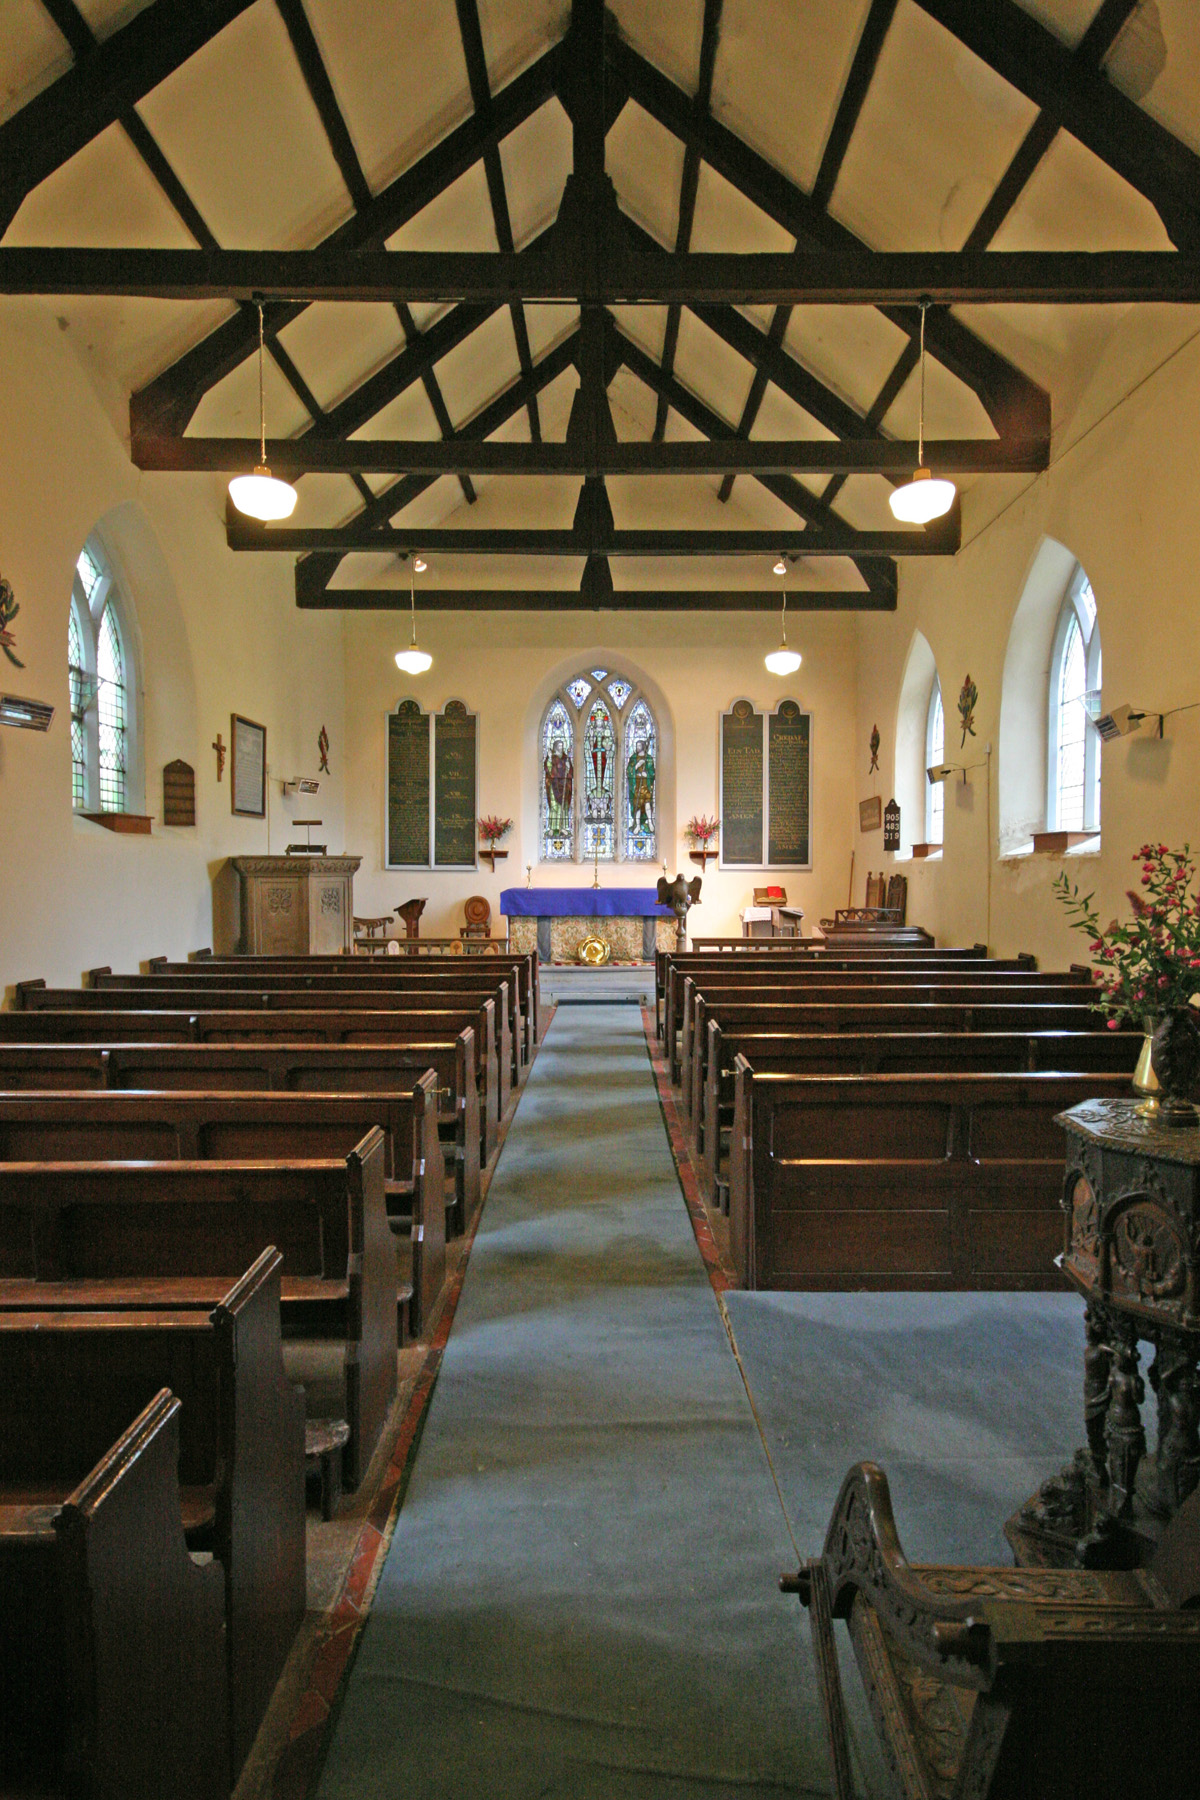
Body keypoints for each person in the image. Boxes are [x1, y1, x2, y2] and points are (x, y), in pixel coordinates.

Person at [627, 738, 655, 835]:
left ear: (643, 746)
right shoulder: (633, 758)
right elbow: (629, 771)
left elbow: (652, 772)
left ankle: (650, 822)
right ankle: (637, 824)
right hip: (636, 786)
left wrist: (647, 775)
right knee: (637, 805)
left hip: (646, 786)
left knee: (647, 804)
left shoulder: (649, 758)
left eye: (639, 745)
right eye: (636, 745)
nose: (637, 747)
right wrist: (636, 766)